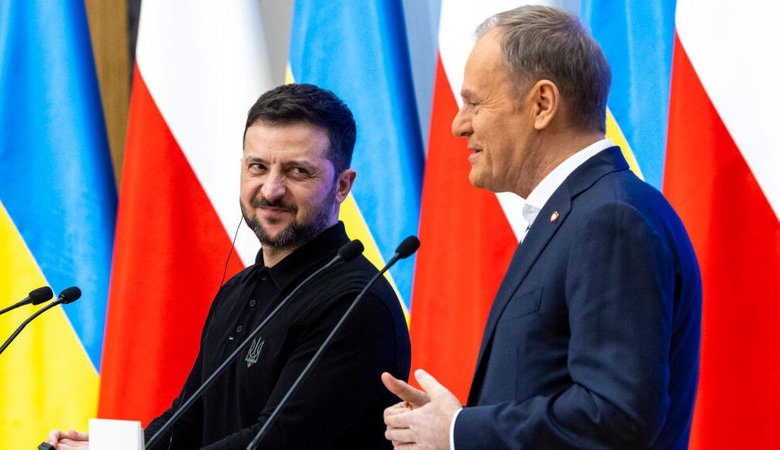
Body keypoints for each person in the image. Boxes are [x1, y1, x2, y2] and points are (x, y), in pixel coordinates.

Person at [382, 5, 701, 449]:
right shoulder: (583, 213)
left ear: (542, 104)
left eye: (475, 102)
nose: (457, 125)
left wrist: (459, 431)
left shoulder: (610, 219)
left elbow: (616, 417)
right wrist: (453, 424)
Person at [47, 83, 411, 449]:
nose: (271, 189)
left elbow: (273, 443)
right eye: (258, 167)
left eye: (298, 171)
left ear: (342, 186)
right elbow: (187, 420)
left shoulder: (356, 304)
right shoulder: (237, 290)